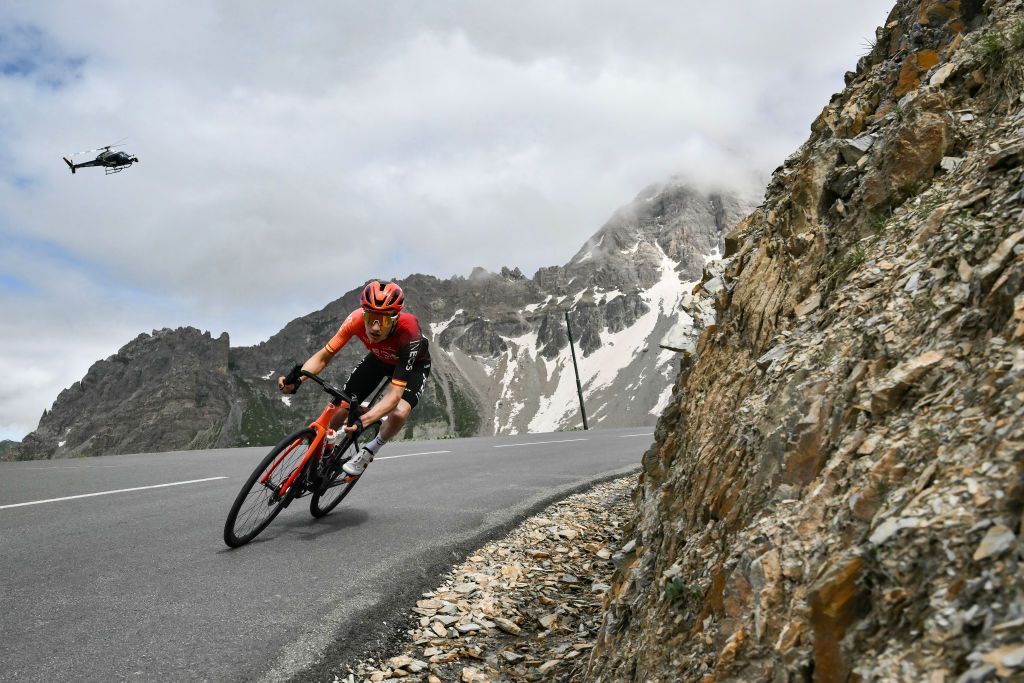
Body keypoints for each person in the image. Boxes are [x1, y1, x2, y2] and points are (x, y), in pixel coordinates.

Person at [278, 280, 431, 475]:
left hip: (413, 365)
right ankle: (323, 452)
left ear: (394, 319)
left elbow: (394, 396)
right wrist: (297, 380)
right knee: (342, 405)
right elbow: (324, 356)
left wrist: (363, 421)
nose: (375, 328)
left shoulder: (408, 332)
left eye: (383, 320)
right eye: (371, 318)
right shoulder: (356, 319)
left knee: (400, 412)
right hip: (379, 359)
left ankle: (370, 451)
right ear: (364, 314)